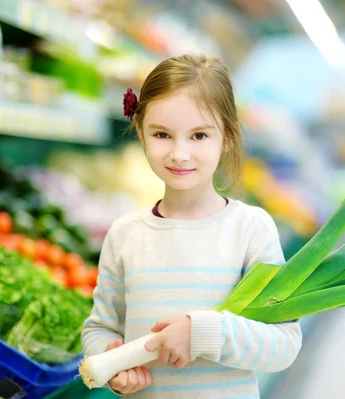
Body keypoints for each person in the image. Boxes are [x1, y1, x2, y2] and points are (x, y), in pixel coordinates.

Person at [81, 53, 302, 398]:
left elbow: (283, 344)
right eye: (162, 135)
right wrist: (110, 362)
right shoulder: (125, 234)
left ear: (227, 136)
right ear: (140, 132)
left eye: (199, 136)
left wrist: (202, 333)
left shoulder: (251, 230)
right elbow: (100, 327)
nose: (179, 154)